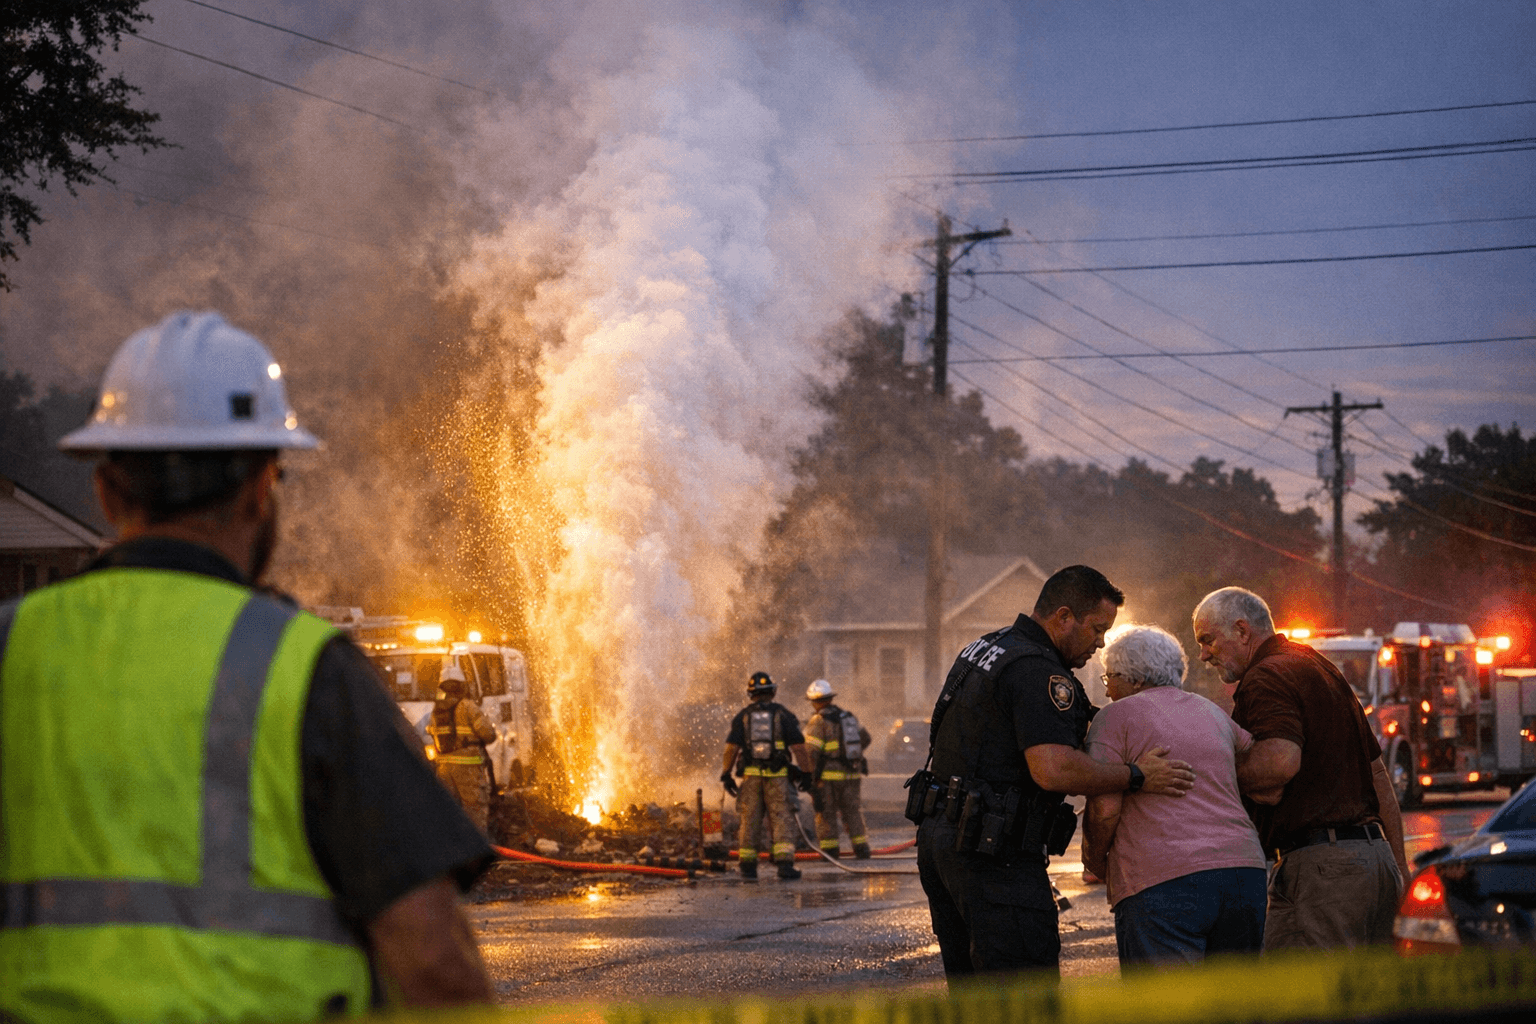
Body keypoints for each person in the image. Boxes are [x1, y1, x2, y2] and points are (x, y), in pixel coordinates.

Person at [0, 312, 494, 1021]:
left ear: (106, 492)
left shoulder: (11, 648)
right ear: (264, 488)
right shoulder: (310, 671)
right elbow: (434, 961)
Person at [914, 565, 1196, 980]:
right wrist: (1136, 775)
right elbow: (1053, 768)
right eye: (1096, 630)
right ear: (1063, 617)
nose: (1100, 644)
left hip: (946, 840)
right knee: (1025, 991)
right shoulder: (1038, 671)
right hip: (993, 854)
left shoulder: (987, 648)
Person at [1193, 586, 1409, 949]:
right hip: (1376, 864)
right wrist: (1400, 866)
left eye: (1208, 640)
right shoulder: (1320, 667)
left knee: (1312, 999)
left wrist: (1211, 768)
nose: (1202, 654)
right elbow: (1377, 775)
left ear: (1242, 631)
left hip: (1323, 873)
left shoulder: (1265, 675)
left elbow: (1279, 765)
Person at [1082, 625, 1267, 967]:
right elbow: (1263, 770)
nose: (1107, 690)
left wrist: (1095, 860)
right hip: (1245, 873)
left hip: (1162, 881)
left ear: (1134, 679)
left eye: (1109, 677)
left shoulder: (1113, 718)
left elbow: (1105, 809)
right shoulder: (1212, 713)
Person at [720, 671, 813, 880]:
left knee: (749, 820)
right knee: (782, 819)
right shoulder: (783, 715)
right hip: (778, 778)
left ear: (751, 694)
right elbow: (799, 747)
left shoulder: (742, 717)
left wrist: (726, 774)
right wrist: (806, 773)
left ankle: (747, 866)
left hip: (751, 779)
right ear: (772, 691)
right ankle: (784, 866)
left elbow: (731, 749)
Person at [803, 678, 873, 859]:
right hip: (851, 774)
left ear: (814, 701)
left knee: (826, 813)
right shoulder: (848, 717)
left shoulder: (818, 721)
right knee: (853, 811)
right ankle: (861, 848)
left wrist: (810, 777)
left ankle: (830, 851)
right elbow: (865, 738)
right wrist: (852, 756)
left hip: (827, 778)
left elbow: (811, 752)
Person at [428, 664, 499, 834]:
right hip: (468, 770)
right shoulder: (467, 706)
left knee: (449, 815)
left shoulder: (436, 711)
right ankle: (477, 855)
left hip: (443, 770)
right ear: (461, 688)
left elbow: (432, 734)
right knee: (474, 813)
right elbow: (488, 734)